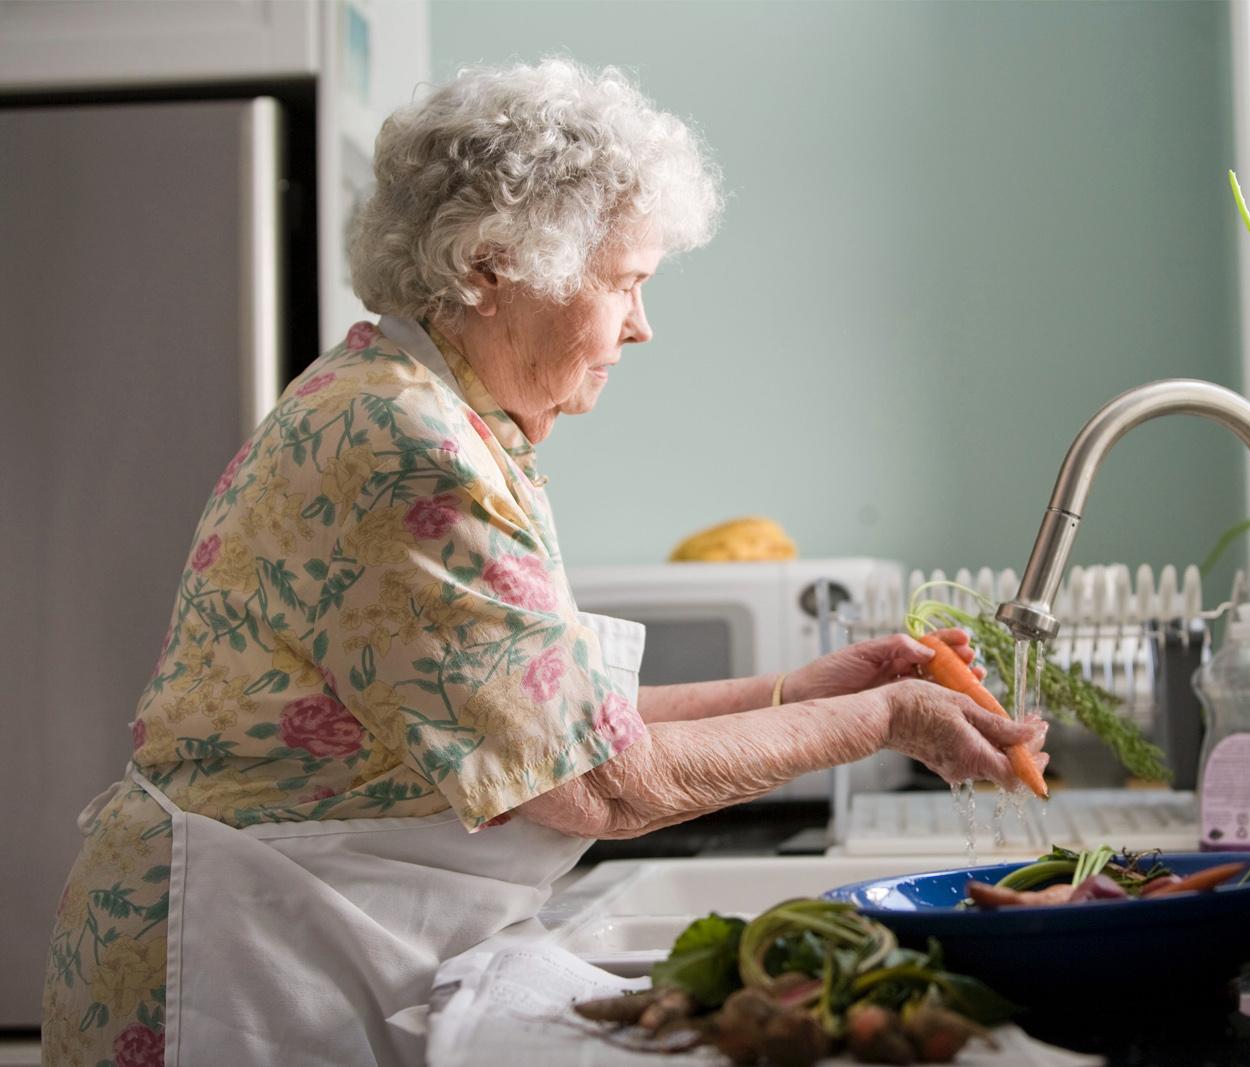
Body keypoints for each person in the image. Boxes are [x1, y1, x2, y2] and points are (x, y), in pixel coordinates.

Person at [41, 59, 1045, 1066]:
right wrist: (882, 716)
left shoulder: (419, 410)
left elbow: (550, 725)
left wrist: (801, 687)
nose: (641, 325)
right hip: (237, 966)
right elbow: (600, 784)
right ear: (488, 267)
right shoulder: (407, 448)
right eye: (624, 282)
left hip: (303, 932)